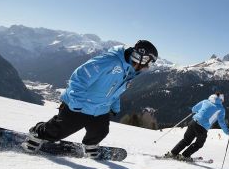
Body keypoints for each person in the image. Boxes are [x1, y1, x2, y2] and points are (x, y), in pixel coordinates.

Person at [23, 40, 158, 158]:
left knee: (100, 131)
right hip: (79, 104)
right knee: (58, 130)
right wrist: (76, 101)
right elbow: (79, 77)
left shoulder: (131, 71)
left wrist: (114, 106)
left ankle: (90, 145)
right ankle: (38, 132)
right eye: (149, 62)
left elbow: (115, 91)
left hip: (100, 109)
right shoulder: (110, 61)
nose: (148, 66)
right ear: (141, 58)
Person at [166, 92, 229, 161]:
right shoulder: (221, 109)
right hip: (202, 127)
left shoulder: (205, 101)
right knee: (199, 143)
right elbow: (221, 122)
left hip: (193, 122)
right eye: (223, 99)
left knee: (186, 140)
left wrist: (201, 111)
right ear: (221, 99)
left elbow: (194, 109)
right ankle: (185, 155)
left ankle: (173, 153)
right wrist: (228, 132)